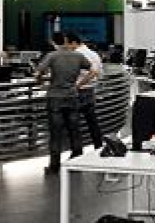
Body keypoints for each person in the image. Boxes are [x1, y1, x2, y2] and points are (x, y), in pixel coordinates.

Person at [35, 33, 91, 174]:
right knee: (74, 130)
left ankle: (54, 166)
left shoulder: (52, 56)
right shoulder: (78, 56)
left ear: (54, 43)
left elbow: (38, 73)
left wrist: (40, 80)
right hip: (72, 96)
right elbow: (92, 69)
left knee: (56, 133)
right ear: (65, 41)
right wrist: (78, 84)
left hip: (55, 97)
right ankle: (77, 162)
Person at [66, 31, 104, 151]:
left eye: (67, 44)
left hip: (78, 92)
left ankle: (77, 151)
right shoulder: (94, 54)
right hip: (90, 91)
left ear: (73, 43)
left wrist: (78, 85)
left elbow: (90, 72)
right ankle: (98, 146)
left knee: (74, 123)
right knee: (92, 122)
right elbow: (98, 73)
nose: (66, 47)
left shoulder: (76, 55)